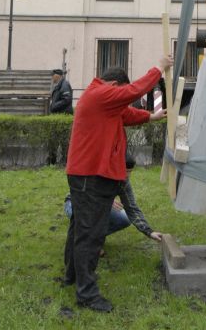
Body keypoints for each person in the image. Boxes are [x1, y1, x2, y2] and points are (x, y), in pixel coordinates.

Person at [64, 55, 172, 312]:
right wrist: (158, 67)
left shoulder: (100, 99)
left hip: (86, 174)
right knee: (91, 235)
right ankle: (87, 294)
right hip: (92, 176)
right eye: (120, 91)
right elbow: (135, 91)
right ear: (113, 85)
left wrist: (151, 117)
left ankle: (72, 276)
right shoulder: (101, 94)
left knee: (80, 228)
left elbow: (126, 114)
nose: (123, 95)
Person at [64, 152, 162, 251]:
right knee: (94, 215)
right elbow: (85, 198)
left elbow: (132, 208)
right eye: (125, 171)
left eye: (130, 172)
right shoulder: (98, 175)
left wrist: (149, 232)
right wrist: (107, 201)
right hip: (75, 204)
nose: (127, 176)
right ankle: (84, 240)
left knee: (124, 219)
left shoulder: (123, 183)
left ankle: (93, 239)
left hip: (102, 206)